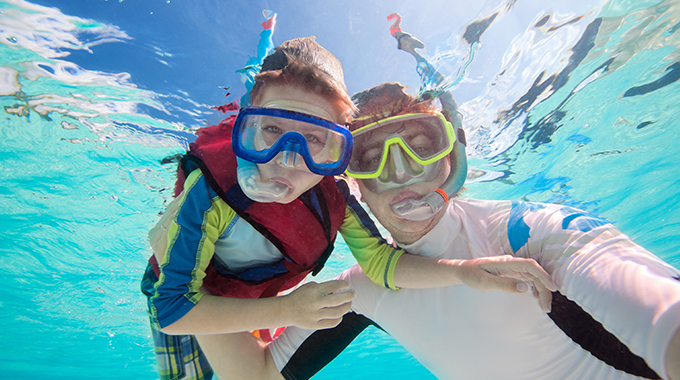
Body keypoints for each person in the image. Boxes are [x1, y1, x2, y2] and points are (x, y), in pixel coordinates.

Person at [140, 36, 556, 380]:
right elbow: (174, 310)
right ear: (247, 126)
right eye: (271, 130)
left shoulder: (334, 198)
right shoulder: (210, 191)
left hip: (254, 295)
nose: (288, 158)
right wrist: (286, 309)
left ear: (339, 149)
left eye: (314, 140)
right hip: (189, 292)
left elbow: (382, 264)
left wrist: (463, 272)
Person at [267, 80, 680, 380]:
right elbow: (256, 374)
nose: (400, 172)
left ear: (454, 158)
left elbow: (664, 313)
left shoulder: (526, 233)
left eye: (421, 147)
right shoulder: (366, 287)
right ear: (352, 184)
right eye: (370, 156)